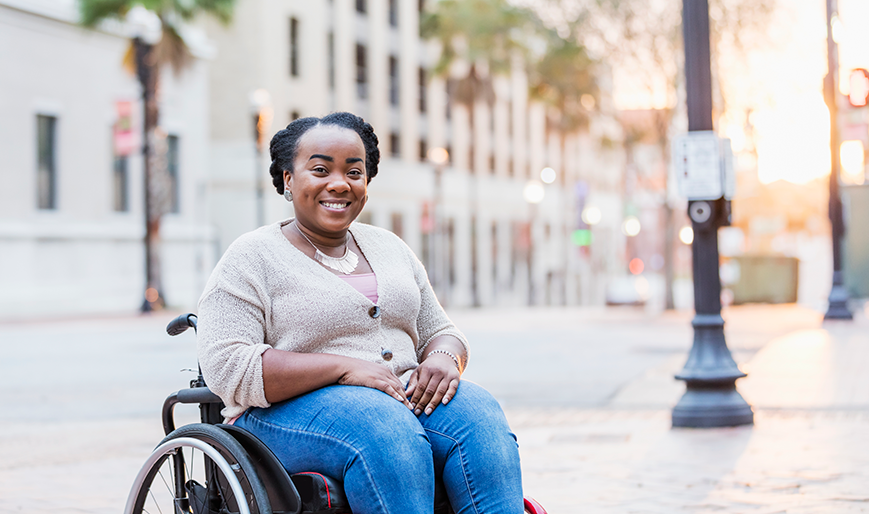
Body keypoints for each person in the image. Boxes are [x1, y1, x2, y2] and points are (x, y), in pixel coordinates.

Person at [197, 112, 523, 513]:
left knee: (478, 417)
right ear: (287, 178)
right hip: (282, 415)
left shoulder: (390, 247)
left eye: (354, 171)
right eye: (320, 169)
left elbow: (440, 329)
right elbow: (228, 365)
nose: (339, 183)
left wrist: (443, 357)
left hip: (398, 397)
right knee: (384, 430)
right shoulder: (252, 256)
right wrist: (344, 368)